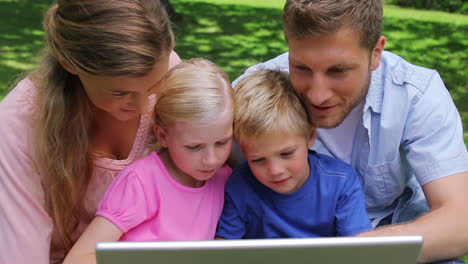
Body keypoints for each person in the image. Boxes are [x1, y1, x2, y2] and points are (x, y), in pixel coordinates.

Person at [232, 0, 468, 263]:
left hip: (388, 242)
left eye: (339, 71)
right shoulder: (256, 96)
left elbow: (460, 223)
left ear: (376, 52)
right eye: (301, 68)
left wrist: (350, 252)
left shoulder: (415, 94)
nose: (318, 95)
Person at [0, 0, 182, 263]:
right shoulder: (17, 124)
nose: (144, 106)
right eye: (120, 92)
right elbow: (22, 255)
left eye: (155, 83)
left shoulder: (171, 72)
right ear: (69, 63)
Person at [63, 58, 234, 264]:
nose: (211, 160)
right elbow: (78, 259)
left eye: (222, 142)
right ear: (162, 136)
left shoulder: (225, 177)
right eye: (194, 147)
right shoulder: (142, 181)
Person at [215, 69, 371, 240]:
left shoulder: (341, 181)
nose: (275, 170)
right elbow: (223, 248)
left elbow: (359, 246)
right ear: (243, 152)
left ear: (310, 136)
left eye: (286, 153)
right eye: (258, 159)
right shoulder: (240, 184)